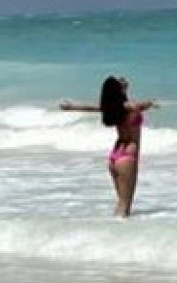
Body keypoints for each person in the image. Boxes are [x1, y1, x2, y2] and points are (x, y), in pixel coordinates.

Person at [59, 76, 158, 217]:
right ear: (119, 90)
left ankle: (113, 228)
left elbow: (91, 108)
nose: (123, 80)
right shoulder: (131, 106)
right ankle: (119, 229)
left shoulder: (111, 108)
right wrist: (150, 103)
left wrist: (71, 107)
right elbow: (139, 105)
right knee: (125, 207)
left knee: (121, 204)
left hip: (116, 156)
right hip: (127, 156)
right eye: (120, 82)